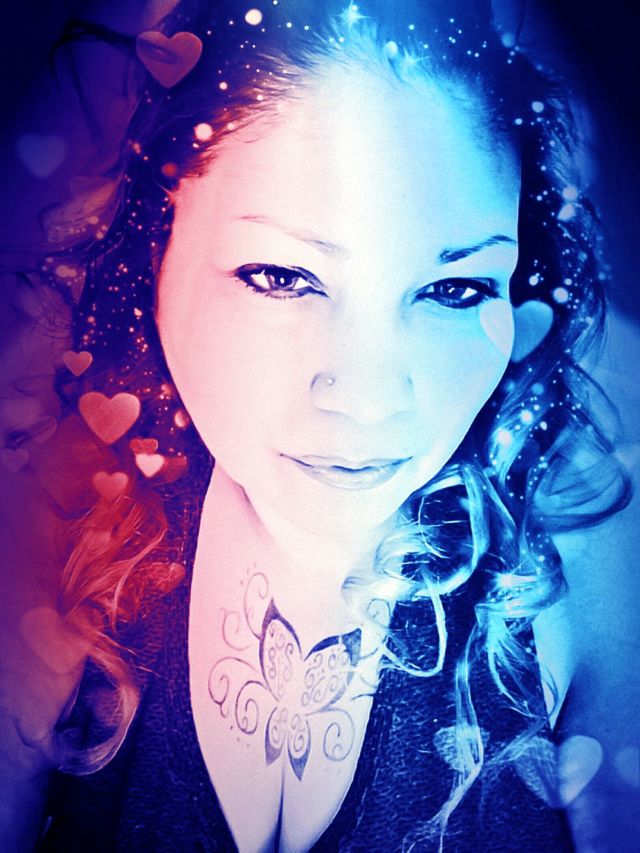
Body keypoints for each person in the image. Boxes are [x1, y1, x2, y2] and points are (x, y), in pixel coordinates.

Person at [0, 1, 633, 850]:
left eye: (454, 290)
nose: (368, 400)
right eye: (281, 276)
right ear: (153, 254)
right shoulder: (46, 538)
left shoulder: (584, 559)